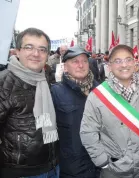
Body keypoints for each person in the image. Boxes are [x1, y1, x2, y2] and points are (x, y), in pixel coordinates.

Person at [80, 44, 139, 178]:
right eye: (117, 61)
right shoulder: (97, 96)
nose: (124, 65)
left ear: (135, 63)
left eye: (128, 59)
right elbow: (87, 132)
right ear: (109, 66)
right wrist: (102, 161)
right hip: (114, 169)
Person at [0, 27, 59, 178]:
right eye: (29, 47)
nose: (36, 53)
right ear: (17, 51)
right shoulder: (3, 83)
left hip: (52, 166)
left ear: (47, 54)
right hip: (19, 172)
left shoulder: (46, 80)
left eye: (42, 49)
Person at [51, 47, 99, 177]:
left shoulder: (101, 90)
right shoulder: (55, 92)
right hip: (72, 168)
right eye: (75, 61)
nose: (81, 65)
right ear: (65, 67)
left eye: (84, 61)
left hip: (100, 164)